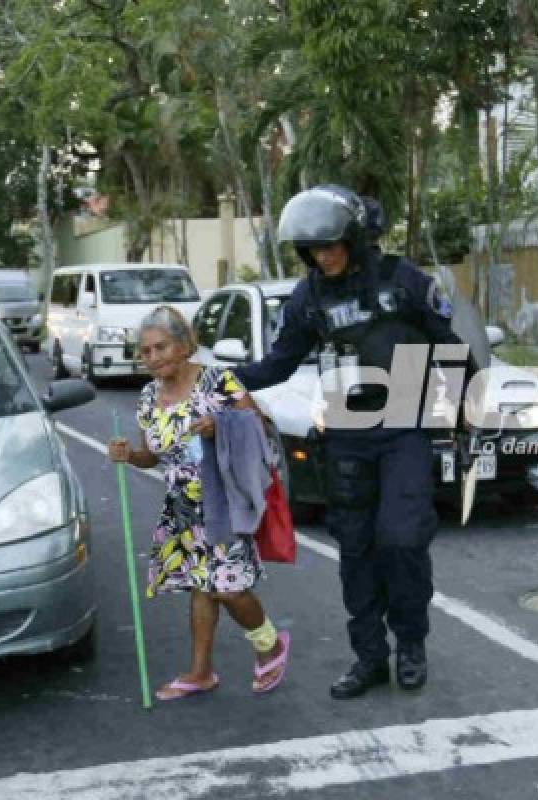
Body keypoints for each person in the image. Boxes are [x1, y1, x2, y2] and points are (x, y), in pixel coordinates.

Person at [234, 185, 468, 699]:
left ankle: (411, 645)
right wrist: (222, 381)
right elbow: (280, 362)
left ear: (356, 240)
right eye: (314, 249)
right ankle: (369, 657)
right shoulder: (308, 297)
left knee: (402, 539)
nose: (324, 256)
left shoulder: (401, 281)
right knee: (357, 550)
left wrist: (455, 420)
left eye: (333, 245)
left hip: (405, 428)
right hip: (346, 437)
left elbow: (451, 345)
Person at [107, 306, 290, 700]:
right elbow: (151, 456)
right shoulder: (148, 397)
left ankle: (270, 644)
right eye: (145, 351)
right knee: (201, 586)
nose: (153, 357)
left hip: (225, 502)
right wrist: (128, 455)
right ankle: (200, 671)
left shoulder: (217, 381)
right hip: (183, 509)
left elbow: (259, 429)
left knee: (228, 588)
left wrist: (221, 425)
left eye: (161, 347)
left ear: (185, 345)